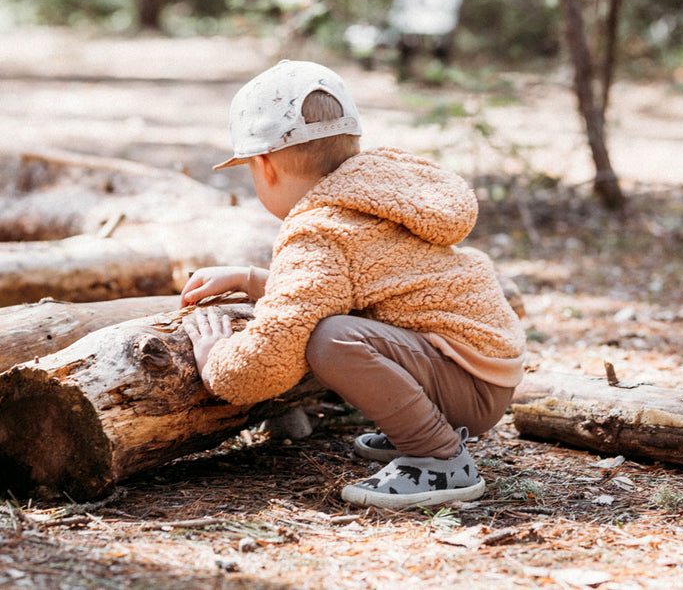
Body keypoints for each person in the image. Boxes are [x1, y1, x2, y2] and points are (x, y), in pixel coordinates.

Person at [181, 59, 526, 509]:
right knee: (333, 326)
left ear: (264, 166)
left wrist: (217, 362)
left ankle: (439, 458)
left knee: (329, 339)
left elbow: (278, 345)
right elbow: (348, 285)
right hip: (484, 372)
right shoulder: (381, 196)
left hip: (468, 386)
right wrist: (251, 279)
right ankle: (421, 424)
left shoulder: (320, 229)